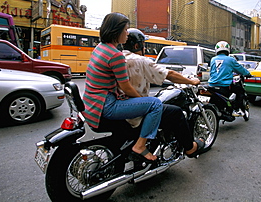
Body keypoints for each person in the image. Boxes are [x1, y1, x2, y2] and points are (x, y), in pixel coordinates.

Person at [82, 13, 162, 162]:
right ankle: (140, 146)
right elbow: (125, 87)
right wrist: (143, 102)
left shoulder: (100, 48)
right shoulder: (115, 55)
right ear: (116, 31)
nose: (127, 33)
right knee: (155, 104)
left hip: (92, 102)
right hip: (106, 105)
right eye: (125, 30)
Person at [122, 28, 205, 158]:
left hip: (121, 106)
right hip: (136, 111)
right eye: (143, 44)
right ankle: (190, 148)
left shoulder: (118, 58)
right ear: (137, 45)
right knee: (176, 113)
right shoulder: (140, 60)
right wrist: (191, 81)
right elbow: (169, 74)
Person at [208, 41, 251, 117]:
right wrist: (248, 74)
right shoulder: (230, 59)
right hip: (224, 85)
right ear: (228, 49)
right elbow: (240, 69)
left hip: (211, 84)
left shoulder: (213, 59)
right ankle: (236, 109)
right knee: (240, 91)